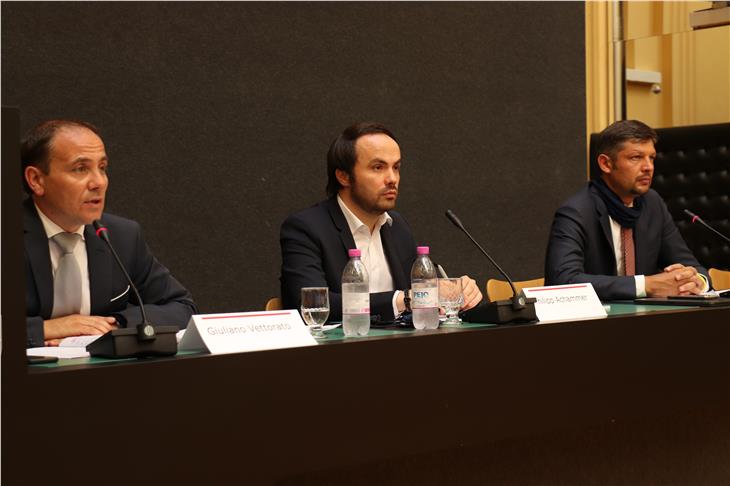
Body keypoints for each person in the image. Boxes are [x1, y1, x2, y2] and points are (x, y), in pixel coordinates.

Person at [280, 122, 482, 322]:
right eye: (378, 167)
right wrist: (404, 299)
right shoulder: (306, 228)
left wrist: (454, 290)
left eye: (396, 167)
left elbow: (420, 291)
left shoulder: (396, 225)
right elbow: (313, 305)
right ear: (344, 176)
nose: (392, 179)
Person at [23, 119, 197, 348]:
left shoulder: (120, 236)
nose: (98, 182)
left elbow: (182, 307)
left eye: (102, 168)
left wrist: (113, 327)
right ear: (36, 180)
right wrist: (44, 329)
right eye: (80, 169)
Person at [545, 119, 709, 300]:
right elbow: (562, 281)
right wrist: (645, 285)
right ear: (606, 164)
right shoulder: (577, 211)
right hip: (594, 323)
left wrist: (697, 281)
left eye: (651, 158)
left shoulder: (652, 204)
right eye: (636, 157)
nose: (648, 167)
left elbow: (692, 267)